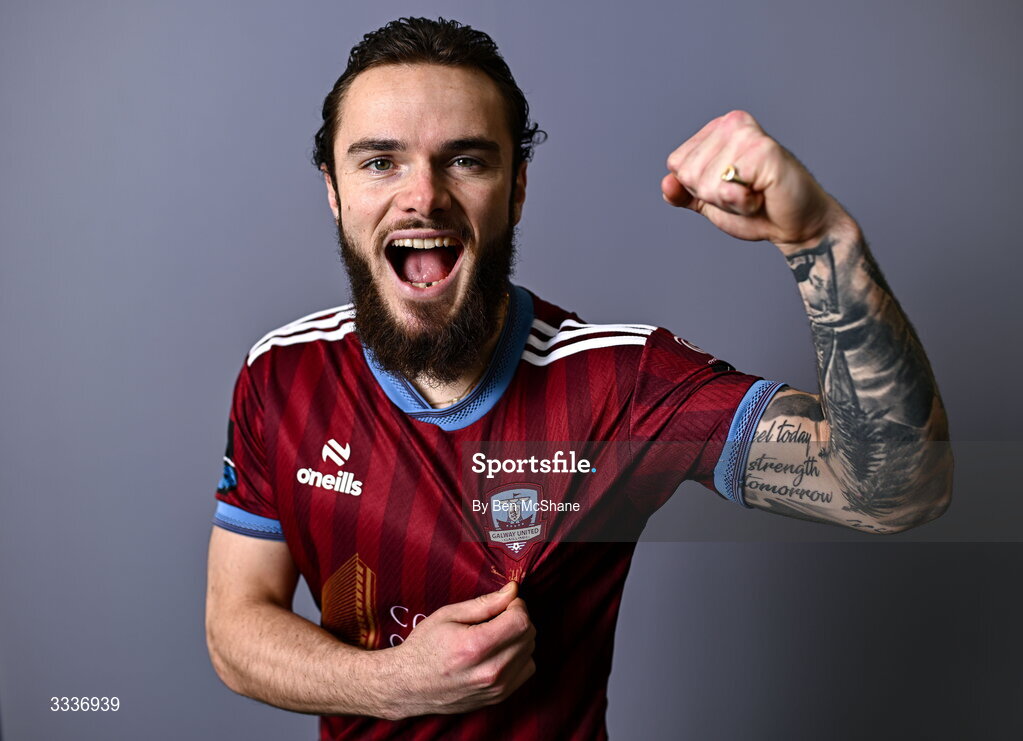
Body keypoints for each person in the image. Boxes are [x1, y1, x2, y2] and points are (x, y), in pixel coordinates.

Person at [204, 16, 952, 741]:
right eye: (379, 161)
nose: (423, 195)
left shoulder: (620, 382)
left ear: (517, 187)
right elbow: (236, 625)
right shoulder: (281, 373)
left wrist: (817, 235)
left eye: (466, 159)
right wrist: (395, 681)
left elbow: (894, 489)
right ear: (334, 192)